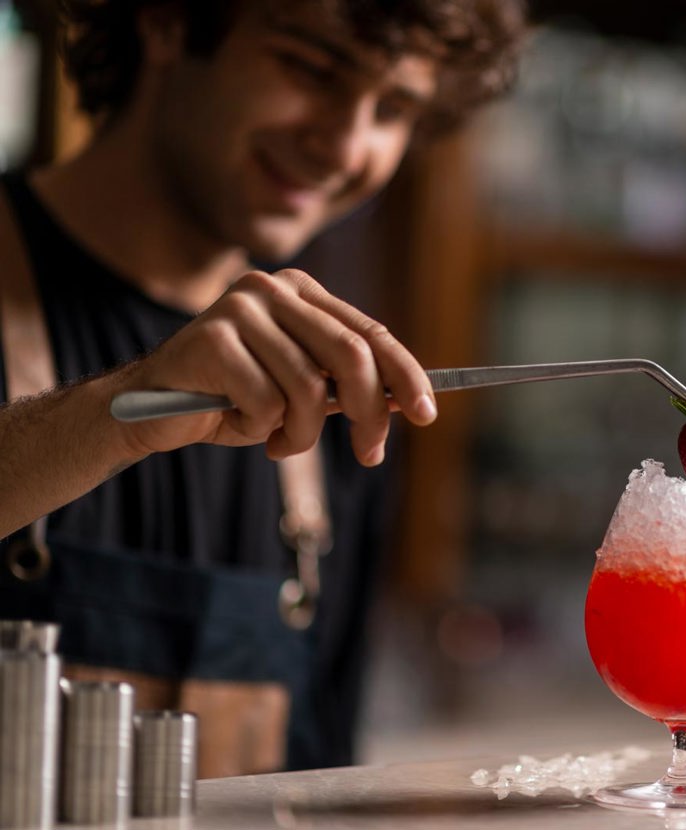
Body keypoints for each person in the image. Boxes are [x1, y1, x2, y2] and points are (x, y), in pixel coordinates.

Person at [0, 0, 525, 776]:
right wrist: (120, 413)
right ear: (167, 22)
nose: (346, 146)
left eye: (394, 108)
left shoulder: (336, 392)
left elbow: (320, 787)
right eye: (310, 68)